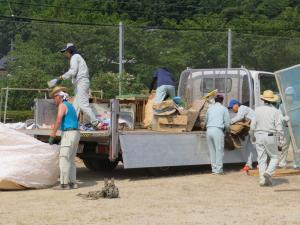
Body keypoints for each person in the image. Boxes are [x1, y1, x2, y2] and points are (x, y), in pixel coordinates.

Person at [56, 43, 101, 129]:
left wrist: (62, 77)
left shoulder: (74, 57)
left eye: (66, 52)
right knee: (75, 106)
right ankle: (72, 124)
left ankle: (96, 123)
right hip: (80, 83)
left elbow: (73, 71)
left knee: (83, 105)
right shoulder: (78, 57)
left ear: (70, 51)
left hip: (81, 82)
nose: (66, 54)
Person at [49, 86, 80, 190]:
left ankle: (63, 184)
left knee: (63, 158)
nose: (54, 100)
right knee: (71, 160)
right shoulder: (70, 106)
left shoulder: (62, 105)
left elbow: (58, 119)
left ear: (59, 97)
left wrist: (52, 135)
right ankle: (73, 183)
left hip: (68, 134)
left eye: (55, 97)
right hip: (75, 133)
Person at [250, 90, 283, 187]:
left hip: (258, 135)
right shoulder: (276, 111)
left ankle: (262, 180)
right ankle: (269, 172)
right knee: (275, 157)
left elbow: (252, 126)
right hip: (270, 135)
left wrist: (252, 137)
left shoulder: (257, 110)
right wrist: (281, 139)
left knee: (261, 159)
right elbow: (279, 127)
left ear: (263, 99)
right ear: (272, 100)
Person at [227, 99, 256, 172]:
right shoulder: (243, 109)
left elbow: (239, 117)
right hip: (254, 128)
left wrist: (229, 122)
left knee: (254, 147)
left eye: (232, 107)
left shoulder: (242, 108)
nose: (232, 109)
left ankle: (252, 164)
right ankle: (250, 164)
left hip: (257, 128)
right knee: (250, 147)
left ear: (236, 105)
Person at [205, 94, 230, 175]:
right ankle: (219, 170)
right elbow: (227, 123)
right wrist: (227, 131)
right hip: (218, 130)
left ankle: (214, 169)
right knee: (219, 151)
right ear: (222, 101)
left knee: (212, 151)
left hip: (209, 130)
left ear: (215, 100)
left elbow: (205, 120)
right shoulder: (224, 109)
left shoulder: (210, 108)